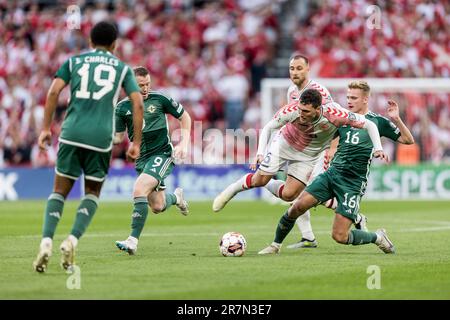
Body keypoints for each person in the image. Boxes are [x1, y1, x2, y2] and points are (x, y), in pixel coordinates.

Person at [33, 21, 144, 273]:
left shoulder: (73, 61)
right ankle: (72, 240)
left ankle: (46, 242)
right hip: (101, 138)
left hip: (71, 133)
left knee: (59, 191)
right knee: (92, 192)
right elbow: (137, 104)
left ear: (90, 43)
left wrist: (45, 129)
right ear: (115, 45)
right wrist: (135, 142)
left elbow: (53, 92)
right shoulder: (122, 68)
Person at [259, 80, 414, 255]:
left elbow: (408, 140)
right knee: (297, 206)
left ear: (365, 99)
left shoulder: (377, 122)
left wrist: (396, 119)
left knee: (339, 236)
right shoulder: (341, 117)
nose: (349, 101)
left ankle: (377, 237)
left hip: (353, 183)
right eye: (348, 97)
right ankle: (275, 245)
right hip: (331, 175)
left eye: (354, 98)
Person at [212, 87, 384, 221]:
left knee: (289, 195)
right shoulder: (292, 110)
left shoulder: (336, 114)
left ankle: (267, 183)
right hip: (284, 144)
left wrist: (378, 148)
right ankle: (232, 190)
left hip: (308, 155)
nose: (301, 114)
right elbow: (268, 127)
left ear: (318, 109)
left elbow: (369, 125)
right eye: (300, 109)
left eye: (306, 111)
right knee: (259, 180)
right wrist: (260, 152)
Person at [114, 66, 192, 255]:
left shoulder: (160, 99)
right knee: (157, 206)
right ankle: (177, 198)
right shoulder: (122, 108)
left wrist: (183, 144)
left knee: (139, 189)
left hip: (162, 154)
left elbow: (185, 117)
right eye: (141, 85)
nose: (146, 88)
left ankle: (132, 240)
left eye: (148, 83)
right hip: (142, 160)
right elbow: (117, 138)